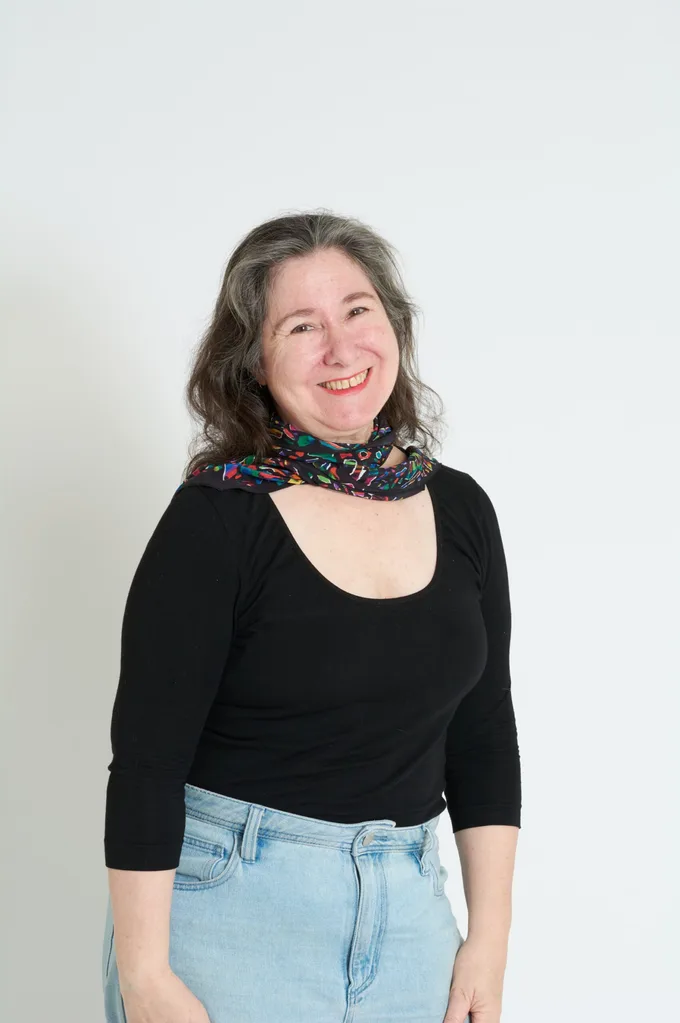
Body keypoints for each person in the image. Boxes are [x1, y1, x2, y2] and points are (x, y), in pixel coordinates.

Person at [101, 210, 521, 1023]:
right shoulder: (218, 519)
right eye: (301, 326)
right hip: (227, 918)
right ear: (254, 363)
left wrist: (489, 939)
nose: (340, 347)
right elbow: (148, 761)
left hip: (410, 922)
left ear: (393, 325)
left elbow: (484, 733)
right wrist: (145, 974)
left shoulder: (461, 508)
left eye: (358, 310)